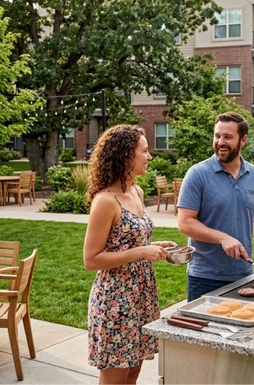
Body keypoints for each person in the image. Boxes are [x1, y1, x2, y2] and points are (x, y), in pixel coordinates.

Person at [83, 124, 175, 385]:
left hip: (141, 295)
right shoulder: (105, 200)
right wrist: (141, 251)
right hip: (115, 299)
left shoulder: (136, 192)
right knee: (115, 377)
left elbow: (126, 242)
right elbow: (91, 259)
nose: (150, 156)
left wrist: (155, 247)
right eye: (144, 151)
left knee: (133, 373)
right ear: (125, 156)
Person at [177, 112, 254, 302]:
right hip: (205, 277)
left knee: (242, 330)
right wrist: (222, 238)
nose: (221, 142)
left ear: (243, 140)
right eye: (217, 136)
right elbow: (185, 223)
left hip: (244, 275)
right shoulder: (197, 174)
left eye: (228, 137)